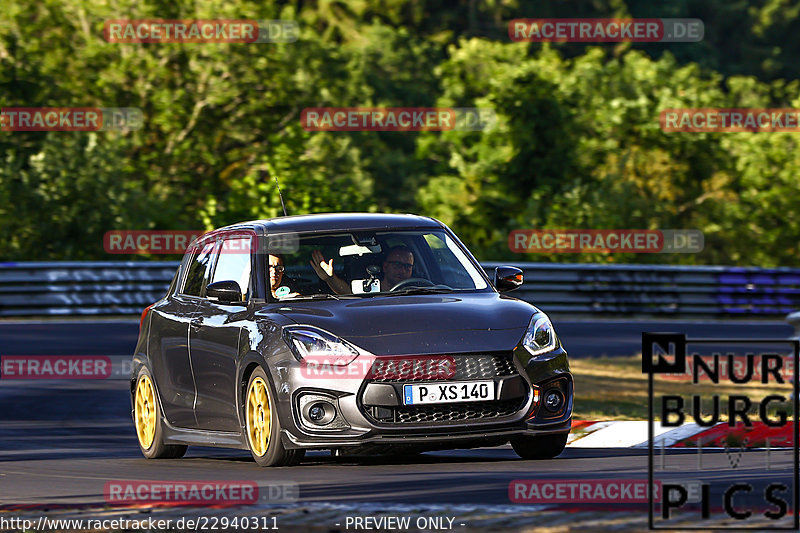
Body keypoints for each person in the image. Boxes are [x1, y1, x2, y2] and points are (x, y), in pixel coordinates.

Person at [310, 246, 415, 295]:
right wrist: (330, 278)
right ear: (385, 267)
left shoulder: (419, 293)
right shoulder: (370, 289)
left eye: (407, 266)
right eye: (397, 265)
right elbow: (348, 294)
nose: (402, 270)